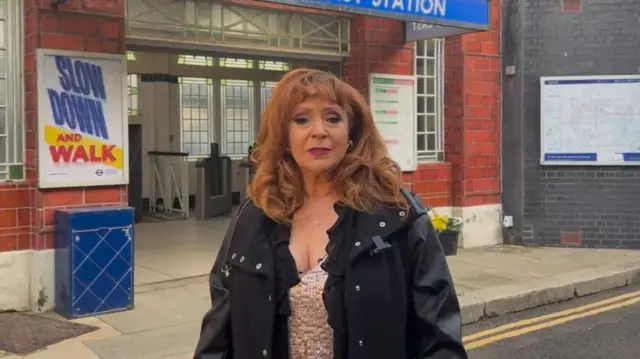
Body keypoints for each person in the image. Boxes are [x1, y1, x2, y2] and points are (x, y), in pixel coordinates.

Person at [194, 68, 467, 359]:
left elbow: (440, 338)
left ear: (351, 133)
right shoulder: (254, 216)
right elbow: (219, 335)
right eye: (301, 119)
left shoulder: (398, 217)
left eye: (333, 118)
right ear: (285, 137)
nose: (319, 131)